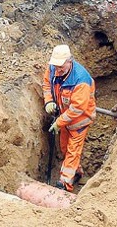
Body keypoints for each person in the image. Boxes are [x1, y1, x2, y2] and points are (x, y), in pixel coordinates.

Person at [42, 45, 96, 192]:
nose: (57, 70)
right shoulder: (53, 68)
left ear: (69, 61)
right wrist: (49, 101)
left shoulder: (81, 80)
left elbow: (77, 109)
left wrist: (59, 122)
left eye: (61, 66)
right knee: (65, 147)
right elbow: (47, 84)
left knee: (73, 151)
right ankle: (77, 172)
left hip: (79, 121)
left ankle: (65, 184)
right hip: (64, 119)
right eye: (55, 66)